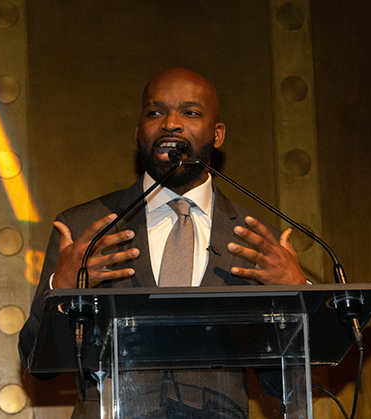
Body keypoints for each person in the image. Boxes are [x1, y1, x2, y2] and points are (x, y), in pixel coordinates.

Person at [19, 68, 307, 418]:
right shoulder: (83, 228)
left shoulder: (258, 243)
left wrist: (298, 295)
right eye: (155, 113)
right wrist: (60, 290)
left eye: (190, 112)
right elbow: (37, 362)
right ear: (139, 132)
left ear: (217, 134)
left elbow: (282, 384)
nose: (170, 123)